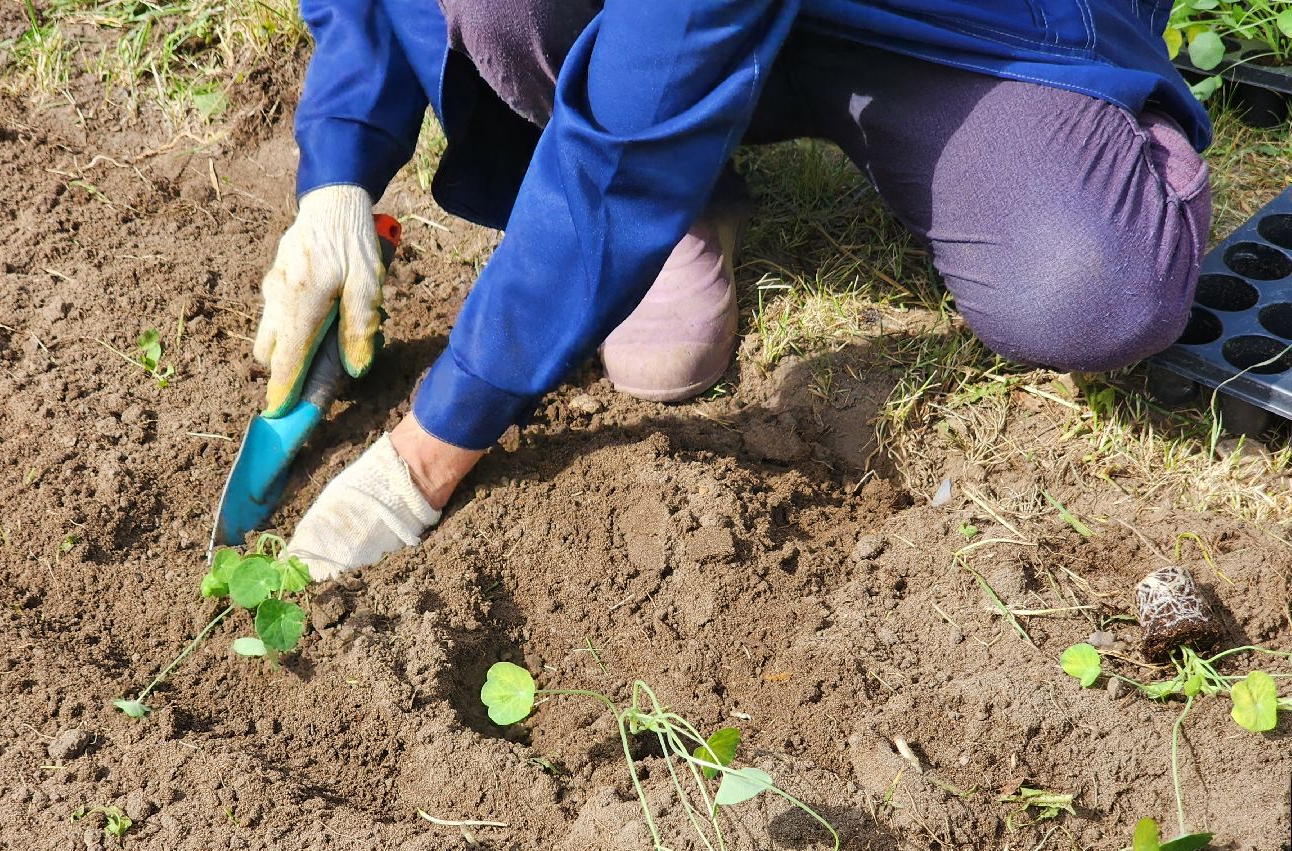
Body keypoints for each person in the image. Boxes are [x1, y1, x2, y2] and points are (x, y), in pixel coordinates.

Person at [255, 0, 1211, 582]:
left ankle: (1104, 135)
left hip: (960, 26)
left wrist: (431, 448)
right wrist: (339, 170)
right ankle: (678, 195)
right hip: (673, 26)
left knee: (1094, 288)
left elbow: (667, 53)